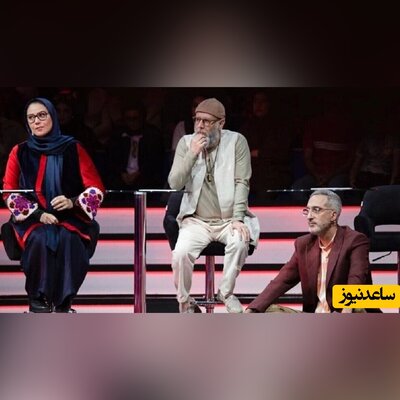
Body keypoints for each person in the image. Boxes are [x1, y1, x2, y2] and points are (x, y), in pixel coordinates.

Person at [2, 97, 105, 313]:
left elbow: (96, 188)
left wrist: (72, 202)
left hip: (70, 217)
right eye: (31, 118)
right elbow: (8, 191)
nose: (36, 121)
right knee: (40, 238)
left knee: (69, 239)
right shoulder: (19, 151)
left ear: (52, 116)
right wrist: (37, 213)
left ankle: (63, 303)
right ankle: (37, 300)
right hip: (31, 218)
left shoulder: (73, 148)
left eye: (42, 115)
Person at [168, 98, 260, 313]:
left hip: (228, 220)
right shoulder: (186, 143)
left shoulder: (237, 142)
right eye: (197, 120)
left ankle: (225, 293)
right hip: (196, 221)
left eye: (207, 121)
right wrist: (191, 154)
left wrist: (238, 218)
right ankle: (185, 302)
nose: (200, 126)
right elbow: (175, 183)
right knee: (180, 254)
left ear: (221, 123)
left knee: (240, 241)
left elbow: (242, 181)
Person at [246, 189, 371, 313]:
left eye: (316, 210)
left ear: (333, 215)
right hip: (314, 316)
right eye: (307, 210)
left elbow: (356, 279)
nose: (310, 216)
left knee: (357, 307)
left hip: (346, 313)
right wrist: (252, 309)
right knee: (267, 310)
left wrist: (346, 312)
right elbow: (282, 281)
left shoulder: (355, 240)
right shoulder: (304, 244)